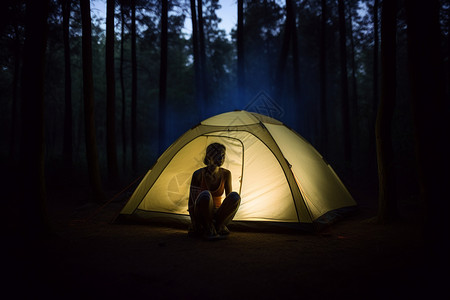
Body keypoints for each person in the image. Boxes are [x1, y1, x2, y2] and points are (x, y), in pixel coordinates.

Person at [188, 143, 241, 240]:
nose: (221, 158)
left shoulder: (226, 174)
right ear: (209, 156)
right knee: (205, 195)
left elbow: (229, 200)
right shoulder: (198, 174)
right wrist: (193, 222)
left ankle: (218, 226)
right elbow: (191, 202)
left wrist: (223, 217)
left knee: (235, 196)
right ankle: (207, 226)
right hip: (202, 214)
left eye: (223, 155)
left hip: (217, 214)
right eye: (218, 155)